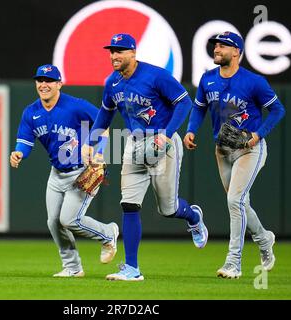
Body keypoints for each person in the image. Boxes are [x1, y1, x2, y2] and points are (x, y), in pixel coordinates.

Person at [82, 33, 208, 281]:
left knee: (168, 209)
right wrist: (90, 142)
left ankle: (193, 216)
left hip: (163, 145)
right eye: (111, 51)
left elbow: (184, 103)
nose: (114, 56)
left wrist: (167, 134)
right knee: (128, 204)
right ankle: (132, 268)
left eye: (119, 51)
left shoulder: (155, 75)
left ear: (133, 53)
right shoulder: (112, 83)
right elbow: (104, 115)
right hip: (134, 145)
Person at [184, 31, 286, 279]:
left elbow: (277, 110)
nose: (217, 49)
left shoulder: (253, 82)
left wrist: (259, 134)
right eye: (215, 45)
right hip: (222, 149)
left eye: (223, 45)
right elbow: (199, 110)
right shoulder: (208, 79)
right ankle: (264, 240)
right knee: (240, 203)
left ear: (237, 52)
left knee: (234, 202)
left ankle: (233, 263)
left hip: (249, 148)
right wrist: (190, 131)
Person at [10, 64, 119, 278]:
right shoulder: (31, 112)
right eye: (40, 80)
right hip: (57, 173)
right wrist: (18, 153)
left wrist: (100, 152)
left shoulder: (75, 106)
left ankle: (108, 233)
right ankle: (73, 267)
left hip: (82, 171)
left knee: (69, 220)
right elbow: (25, 141)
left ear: (59, 83)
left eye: (49, 81)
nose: (44, 85)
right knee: (53, 222)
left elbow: (104, 125)